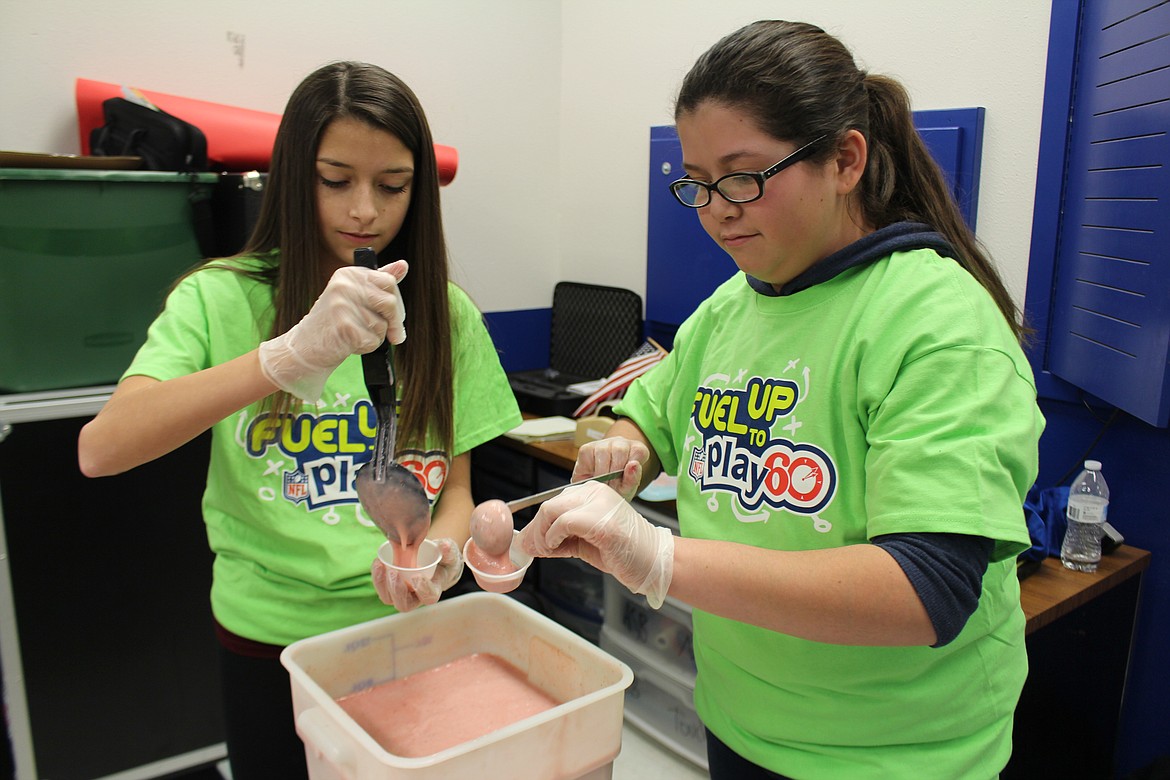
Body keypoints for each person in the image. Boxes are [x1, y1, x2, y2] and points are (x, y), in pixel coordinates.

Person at [518, 20, 1044, 780]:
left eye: (744, 176)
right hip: (740, 720)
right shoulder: (732, 306)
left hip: (898, 755)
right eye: (697, 182)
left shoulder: (937, 324)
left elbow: (926, 589)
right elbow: (654, 413)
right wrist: (625, 448)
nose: (717, 210)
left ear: (845, 159)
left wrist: (658, 555)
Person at [77, 61, 521, 779]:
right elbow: (102, 450)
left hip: (408, 632)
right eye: (335, 179)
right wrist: (281, 359)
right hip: (271, 642)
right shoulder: (219, 299)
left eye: (393, 185)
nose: (365, 212)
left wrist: (440, 553)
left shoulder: (446, 315)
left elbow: (457, 491)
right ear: (293, 175)